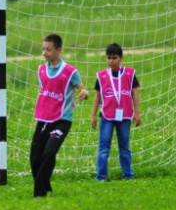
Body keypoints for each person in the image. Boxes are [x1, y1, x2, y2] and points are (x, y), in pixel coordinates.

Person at [30, 34, 90, 198]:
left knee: (49, 153)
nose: (45, 52)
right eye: (43, 49)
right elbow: (44, 94)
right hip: (43, 119)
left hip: (62, 120)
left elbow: (81, 88)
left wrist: (84, 92)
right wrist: (38, 120)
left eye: (48, 49)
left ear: (59, 50)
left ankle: (39, 193)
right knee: (35, 158)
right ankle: (45, 183)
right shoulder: (41, 70)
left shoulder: (70, 71)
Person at [90, 43, 141, 181]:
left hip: (124, 115)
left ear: (121, 58)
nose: (111, 61)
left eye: (115, 57)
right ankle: (101, 176)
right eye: (109, 58)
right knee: (104, 147)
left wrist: (137, 113)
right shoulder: (101, 76)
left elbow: (134, 93)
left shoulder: (130, 74)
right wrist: (93, 115)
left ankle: (128, 175)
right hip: (107, 116)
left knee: (124, 146)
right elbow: (97, 96)